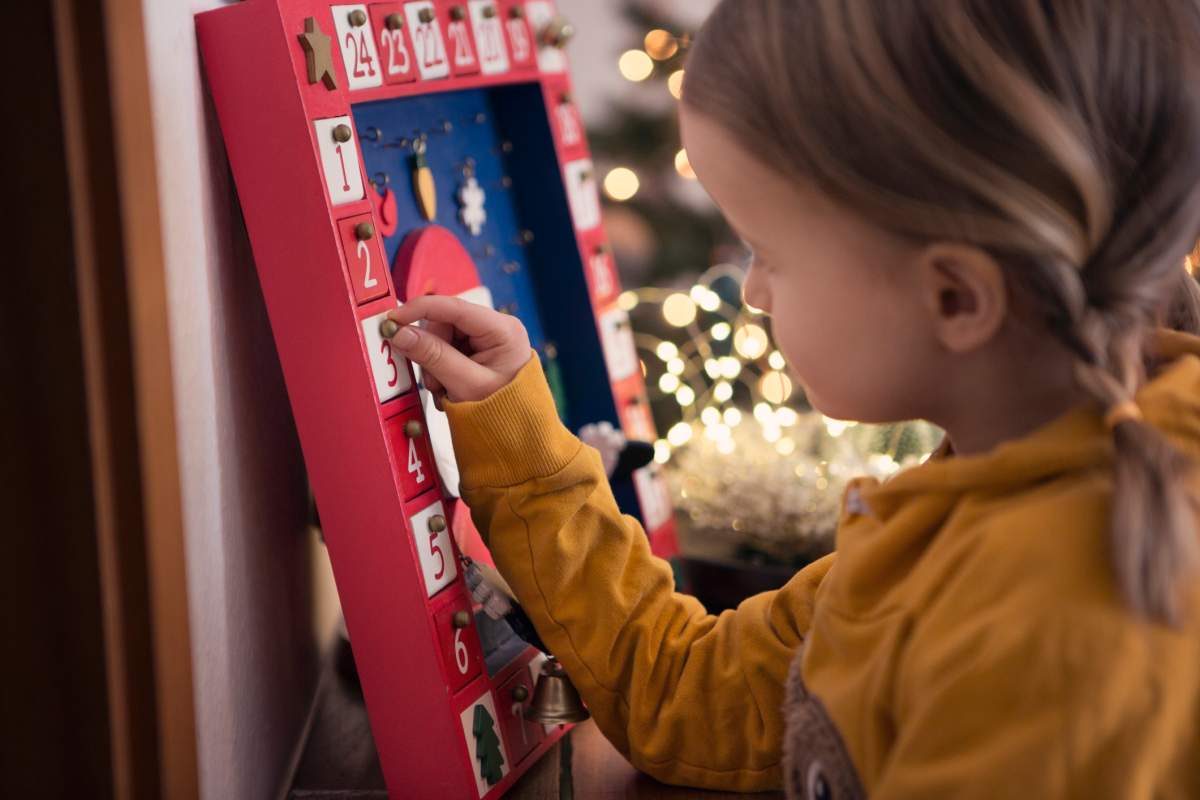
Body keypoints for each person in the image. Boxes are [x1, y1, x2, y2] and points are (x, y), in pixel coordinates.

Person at [385, 1, 1200, 796]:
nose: (754, 294)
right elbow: (693, 695)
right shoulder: (967, 500)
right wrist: (520, 448)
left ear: (956, 297)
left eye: (768, 251)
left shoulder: (1049, 638)